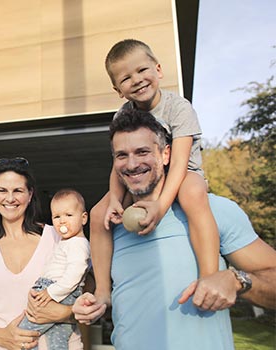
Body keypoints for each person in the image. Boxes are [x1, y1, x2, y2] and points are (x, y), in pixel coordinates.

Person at [72, 109, 276, 349]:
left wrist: (238, 280)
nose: (132, 164)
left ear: (166, 154)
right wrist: (90, 302)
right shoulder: (112, 224)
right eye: (121, 155)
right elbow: (102, 293)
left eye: (142, 152)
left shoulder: (214, 211)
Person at [90, 39, 220, 310]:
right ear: (118, 90)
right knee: (98, 214)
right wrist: (115, 198)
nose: (136, 80)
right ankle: (103, 290)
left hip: (183, 172)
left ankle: (210, 275)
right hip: (141, 176)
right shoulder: (122, 115)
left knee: (193, 193)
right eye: (126, 78)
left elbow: (181, 161)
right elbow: (119, 162)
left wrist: (159, 206)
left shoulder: (179, 108)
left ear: (158, 69)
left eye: (142, 70)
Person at [0, 157, 83, 350]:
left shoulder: (58, 236)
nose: (10, 198)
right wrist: (2, 337)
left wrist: (65, 312)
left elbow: (90, 299)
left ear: (30, 194)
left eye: (18, 191)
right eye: (2, 190)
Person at [18, 189, 91, 350]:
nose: (62, 221)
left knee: (24, 334)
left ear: (83, 218)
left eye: (68, 215)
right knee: (56, 342)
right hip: (60, 292)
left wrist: (51, 292)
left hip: (60, 292)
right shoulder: (68, 242)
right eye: (57, 217)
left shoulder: (77, 244)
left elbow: (75, 274)